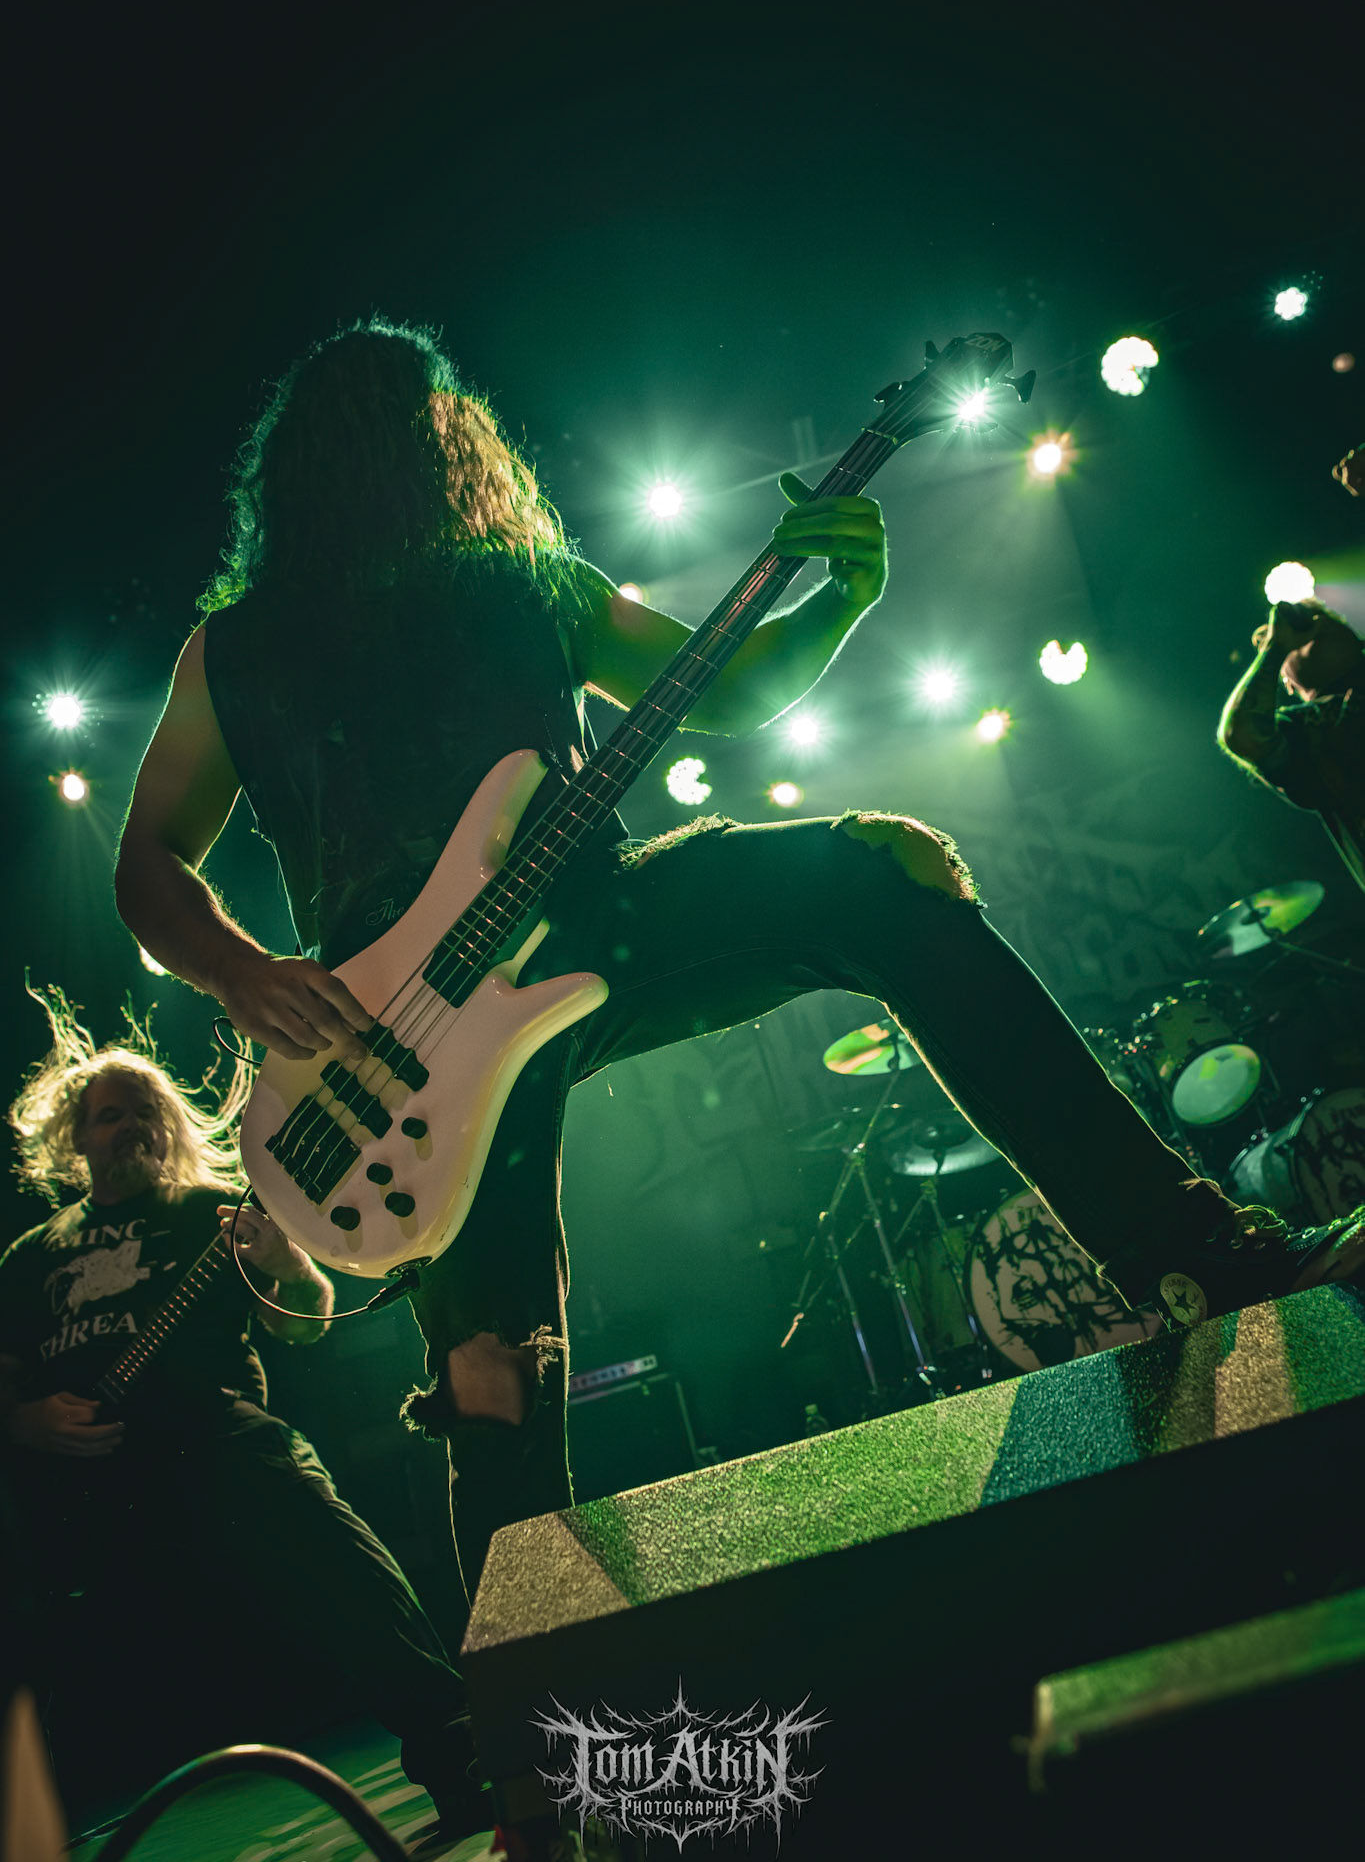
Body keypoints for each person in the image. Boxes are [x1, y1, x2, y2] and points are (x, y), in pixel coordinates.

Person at [114, 319, 1365, 1620]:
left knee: (877, 880)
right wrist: (243, 973)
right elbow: (147, 861)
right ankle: (531, 1677)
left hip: (589, 921)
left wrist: (841, 595)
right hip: (399, 1042)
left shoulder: (525, 585)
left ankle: (1191, 1257)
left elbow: (727, 688)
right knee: (492, 1360)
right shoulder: (239, 649)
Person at [0, 994, 486, 1835]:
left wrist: (288, 1266)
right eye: (111, 1116)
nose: (132, 1127)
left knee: (326, 1544)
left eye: (145, 1112)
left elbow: (303, 1322)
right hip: (79, 1483)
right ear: (75, 1138)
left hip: (212, 1439)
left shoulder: (212, 1210)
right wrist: (23, 1422)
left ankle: (460, 1754)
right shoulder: (30, 1257)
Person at [1218, 598, 1363, 892]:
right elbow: (1243, 734)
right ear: (1288, 681)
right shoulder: (1304, 730)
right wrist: (1276, 647)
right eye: (1301, 630)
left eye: (1321, 616)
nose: (1315, 626)